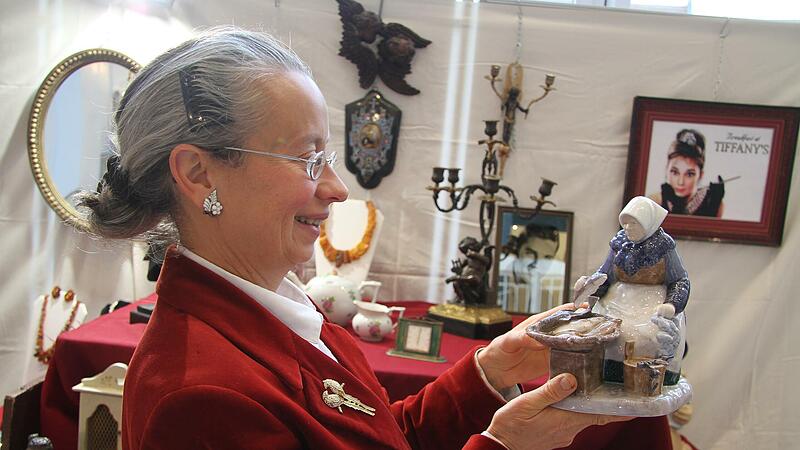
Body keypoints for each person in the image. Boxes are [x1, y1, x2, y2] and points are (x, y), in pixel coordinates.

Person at [79, 27, 639, 449]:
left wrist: (488, 373)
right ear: (200, 174)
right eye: (306, 158)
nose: (337, 188)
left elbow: (379, 437)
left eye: (327, 158)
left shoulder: (280, 316)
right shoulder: (202, 397)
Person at [584, 196, 689, 386]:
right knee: (600, 329)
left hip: (652, 301)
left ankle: (646, 377)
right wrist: (589, 285)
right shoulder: (619, 245)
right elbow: (604, 274)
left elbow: (680, 280)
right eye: (625, 223)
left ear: (648, 223)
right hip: (616, 299)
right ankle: (607, 372)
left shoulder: (664, 247)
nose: (628, 228)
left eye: (634, 223)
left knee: (647, 335)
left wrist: (672, 304)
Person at [648, 129, 725, 217]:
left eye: (689, 174)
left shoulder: (713, 203)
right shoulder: (654, 202)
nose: (680, 182)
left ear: (701, 175)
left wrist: (712, 210)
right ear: (666, 170)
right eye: (675, 172)